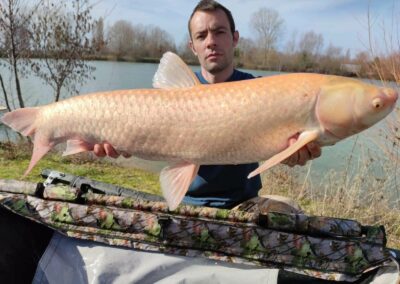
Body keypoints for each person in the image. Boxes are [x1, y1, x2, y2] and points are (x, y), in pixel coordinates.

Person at [93, 0, 321, 210]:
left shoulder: (261, 90)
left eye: (219, 32)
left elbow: (293, 128)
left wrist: (293, 152)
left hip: (245, 203)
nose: (211, 42)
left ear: (235, 38)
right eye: (202, 36)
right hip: (188, 203)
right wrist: (117, 139)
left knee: (293, 210)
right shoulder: (173, 95)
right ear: (193, 47)